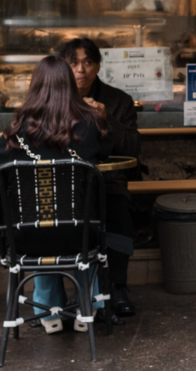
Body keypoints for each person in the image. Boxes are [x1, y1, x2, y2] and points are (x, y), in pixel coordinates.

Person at [0, 55, 111, 334]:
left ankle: (47, 310)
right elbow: (104, 153)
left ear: (36, 86)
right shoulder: (90, 124)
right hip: (79, 234)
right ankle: (87, 307)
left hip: (25, 238)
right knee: (78, 219)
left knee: (41, 218)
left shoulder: (18, 129)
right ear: (69, 84)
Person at [59, 36, 141, 318]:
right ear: (64, 68)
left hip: (108, 182)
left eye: (87, 62)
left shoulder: (119, 100)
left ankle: (117, 287)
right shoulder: (55, 99)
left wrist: (107, 120)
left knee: (118, 209)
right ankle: (64, 293)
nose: (80, 70)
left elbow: (133, 148)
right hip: (65, 185)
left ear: (97, 67)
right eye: (73, 63)